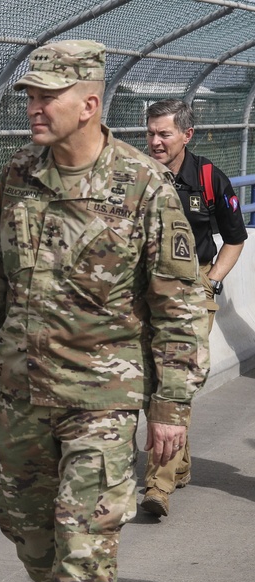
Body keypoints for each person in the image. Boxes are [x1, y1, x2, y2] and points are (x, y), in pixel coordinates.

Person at [0, 41, 208, 582]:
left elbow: (180, 308)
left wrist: (171, 410)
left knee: (80, 544)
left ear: (89, 104)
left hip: (104, 399)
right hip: (23, 391)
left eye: (47, 98)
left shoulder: (142, 186)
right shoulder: (16, 179)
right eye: (30, 98)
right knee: (16, 515)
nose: (34, 109)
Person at [141, 98, 248, 517]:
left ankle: (158, 485)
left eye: (164, 134)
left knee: (176, 381)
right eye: (150, 133)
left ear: (187, 135)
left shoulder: (208, 178)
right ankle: (177, 464)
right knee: (153, 385)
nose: (155, 141)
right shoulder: (134, 176)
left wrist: (211, 282)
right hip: (142, 293)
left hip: (191, 293)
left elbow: (235, 238)